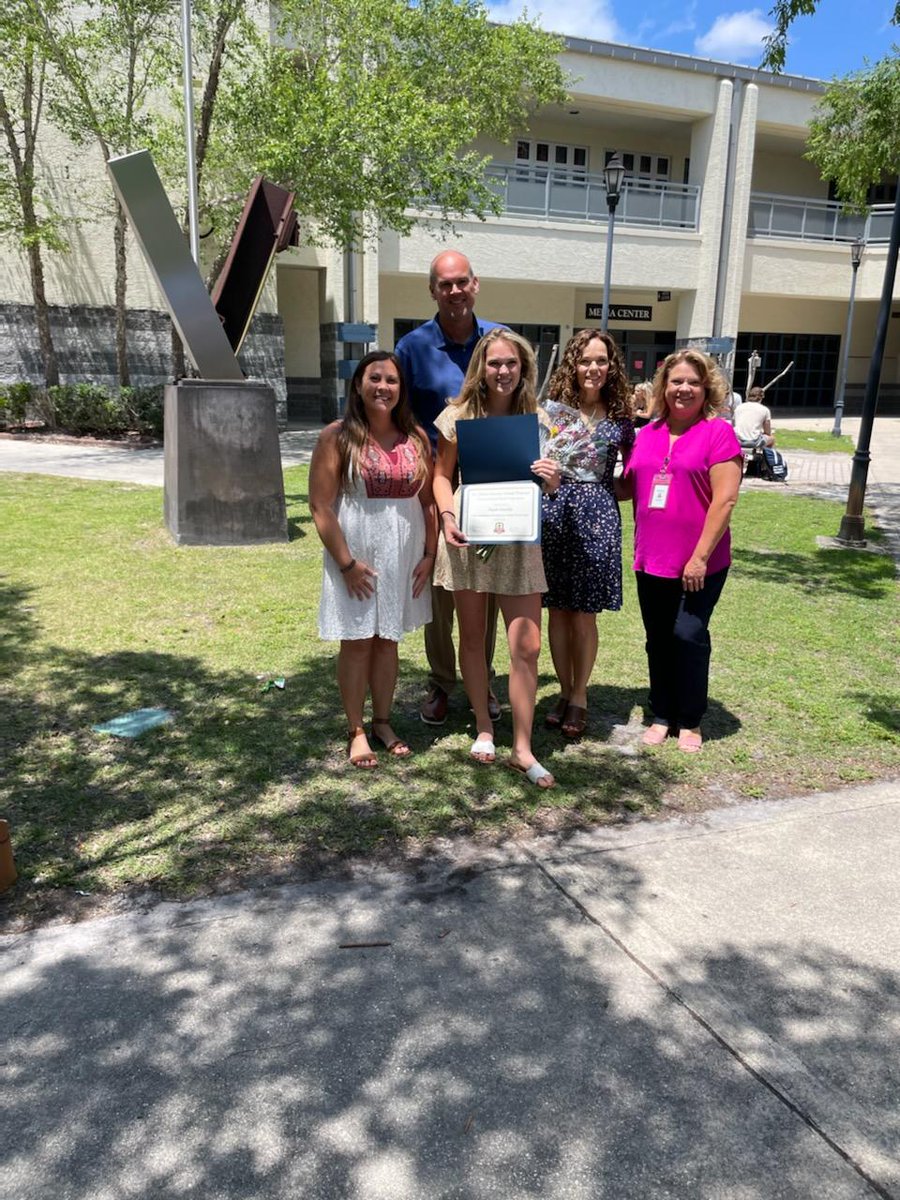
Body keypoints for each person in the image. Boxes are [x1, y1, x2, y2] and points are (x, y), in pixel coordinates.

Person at [433, 329, 560, 787]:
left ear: (523, 367)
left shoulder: (539, 420)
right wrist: (448, 517)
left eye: (511, 363)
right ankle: (485, 728)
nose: (502, 371)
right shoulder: (458, 416)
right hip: (470, 533)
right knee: (472, 637)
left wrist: (552, 478)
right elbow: (441, 477)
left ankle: (522, 749)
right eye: (494, 363)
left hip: (520, 540)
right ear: (481, 368)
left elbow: (547, 485)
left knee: (526, 645)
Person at [309, 351, 436, 769]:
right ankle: (356, 729)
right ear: (359, 385)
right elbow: (321, 506)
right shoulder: (337, 436)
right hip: (357, 554)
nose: (384, 387)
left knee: (388, 641)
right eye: (375, 378)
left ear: (402, 389)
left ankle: (382, 721)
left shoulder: (415, 436)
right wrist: (347, 564)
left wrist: (430, 554)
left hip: (404, 551)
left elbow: (428, 501)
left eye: (392, 381)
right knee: (358, 640)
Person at [395, 250, 503, 727]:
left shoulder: (498, 341)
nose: (455, 291)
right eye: (445, 284)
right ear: (432, 290)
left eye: (462, 282)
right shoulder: (412, 347)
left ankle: (485, 678)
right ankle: (442, 682)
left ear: (475, 284)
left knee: (489, 583)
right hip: (434, 481)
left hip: (492, 483)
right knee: (440, 586)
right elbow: (396, 413)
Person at [619, 349, 741, 753]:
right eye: (676, 382)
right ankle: (661, 712)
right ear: (663, 387)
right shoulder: (649, 433)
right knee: (657, 638)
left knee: (687, 634)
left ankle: (689, 718)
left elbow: (724, 500)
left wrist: (700, 557)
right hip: (651, 558)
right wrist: (580, 474)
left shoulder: (718, 433)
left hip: (700, 562)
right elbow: (629, 486)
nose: (683, 389)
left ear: (706, 388)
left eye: (692, 382)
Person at [541, 329, 635, 738]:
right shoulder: (551, 413)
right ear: (572, 366)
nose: (593, 368)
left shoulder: (622, 419)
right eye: (585, 361)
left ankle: (580, 695)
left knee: (584, 613)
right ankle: (563, 690)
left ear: (611, 366)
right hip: (554, 513)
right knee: (558, 610)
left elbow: (634, 475)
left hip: (597, 517)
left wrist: (606, 491)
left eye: (601, 360)